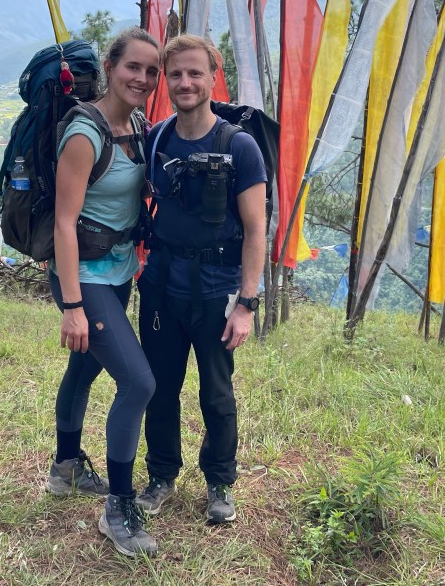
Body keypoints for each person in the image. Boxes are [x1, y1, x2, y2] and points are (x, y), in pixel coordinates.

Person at [135, 34, 266, 524]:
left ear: (213, 76)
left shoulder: (239, 146)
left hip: (215, 287)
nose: (185, 83)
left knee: (216, 391)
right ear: (165, 81)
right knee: (159, 386)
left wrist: (246, 303)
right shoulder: (157, 139)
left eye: (195, 73)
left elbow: (256, 228)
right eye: (176, 74)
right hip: (161, 284)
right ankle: (161, 475)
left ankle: (219, 482)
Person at [45, 27, 161, 557]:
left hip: (118, 272)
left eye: (151, 71)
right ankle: (119, 507)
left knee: (86, 367)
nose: (142, 78)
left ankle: (65, 468)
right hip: (84, 278)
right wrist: (72, 306)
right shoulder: (84, 133)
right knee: (138, 382)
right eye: (133, 67)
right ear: (111, 67)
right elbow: (63, 223)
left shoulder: (136, 126)